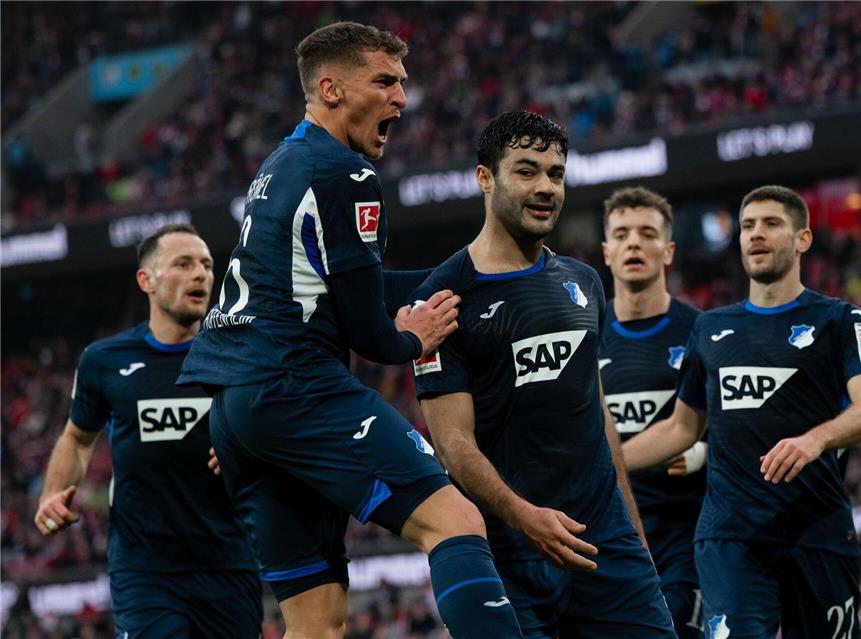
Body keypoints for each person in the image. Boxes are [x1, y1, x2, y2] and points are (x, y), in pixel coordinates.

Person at [177, 22, 523, 639]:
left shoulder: (282, 163)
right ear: (331, 89)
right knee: (455, 523)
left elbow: (351, 286)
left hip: (236, 411)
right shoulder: (347, 173)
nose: (401, 99)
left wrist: (471, 280)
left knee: (317, 622)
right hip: (298, 387)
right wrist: (415, 339)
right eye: (385, 81)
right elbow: (371, 333)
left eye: (403, 83)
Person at [411, 111, 676, 638]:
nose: (545, 188)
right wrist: (522, 515)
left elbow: (597, 414)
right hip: (514, 551)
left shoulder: (583, 282)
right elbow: (453, 443)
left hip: (607, 545)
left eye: (555, 174)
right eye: (527, 171)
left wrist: (633, 529)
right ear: (485, 178)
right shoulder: (441, 300)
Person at [622, 185, 861, 638]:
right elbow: (682, 427)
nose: (756, 234)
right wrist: (609, 461)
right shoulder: (710, 328)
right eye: (747, 226)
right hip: (730, 537)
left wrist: (815, 438)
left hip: (817, 531)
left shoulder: (841, 321)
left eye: (770, 224)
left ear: (802, 238)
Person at [34, 224, 262, 638]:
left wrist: (253, 446)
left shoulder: (241, 354)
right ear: (147, 280)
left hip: (230, 562)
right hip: (144, 569)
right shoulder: (104, 361)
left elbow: (278, 434)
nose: (201, 274)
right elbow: (77, 438)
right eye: (184, 264)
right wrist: (53, 492)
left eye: (208, 265)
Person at [598, 186, 706, 638]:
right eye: (621, 235)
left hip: (686, 532)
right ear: (606, 252)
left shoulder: (702, 330)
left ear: (669, 250)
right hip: (604, 530)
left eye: (647, 233)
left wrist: (704, 453)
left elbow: (741, 426)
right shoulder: (581, 336)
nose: (634, 244)